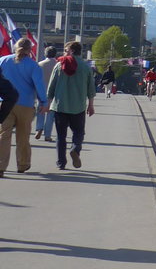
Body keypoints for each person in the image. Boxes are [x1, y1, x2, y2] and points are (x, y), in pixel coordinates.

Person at [0, 37, 48, 177]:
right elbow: (39, 85)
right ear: (30, 49)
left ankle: (1, 166)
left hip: (5, 103)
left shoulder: (3, 61)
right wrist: (43, 102)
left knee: (4, 135)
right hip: (26, 104)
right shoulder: (33, 66)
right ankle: (22, 164)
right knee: (23, 136)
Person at [47, 40, 95, 170]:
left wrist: (48, 103)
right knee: (79, 132)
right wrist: (91, 105)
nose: (64, 53)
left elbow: (51, 87)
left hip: (60, 106)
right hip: (78, 106)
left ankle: (61, 162)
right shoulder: (86, 68)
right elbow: (91, 89)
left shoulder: (59, 65)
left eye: (66, 50)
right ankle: (75, 149)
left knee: (61, 136)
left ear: (72, 51)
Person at [35, 44, 60, 143]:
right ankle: (47, 135)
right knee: (51, 114)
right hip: (54, 93)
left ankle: (39, 128)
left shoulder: (39, 64)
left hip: (41, 91)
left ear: (45, 54)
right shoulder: (58, 65)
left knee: (40, 111)